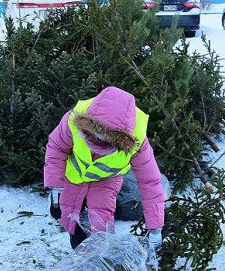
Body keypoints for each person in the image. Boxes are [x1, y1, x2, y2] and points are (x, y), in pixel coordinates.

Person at [43, 86, 165, 249]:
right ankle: (79, 254)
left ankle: (96, 263)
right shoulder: (73, 120)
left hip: (106, 181)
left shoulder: (137, 141)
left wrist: (155, 226)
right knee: (69, 219)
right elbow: (57, 147)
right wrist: (54, 187)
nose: (96, 154)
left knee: (100, 228)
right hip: (74, 177)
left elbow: (150, 182)